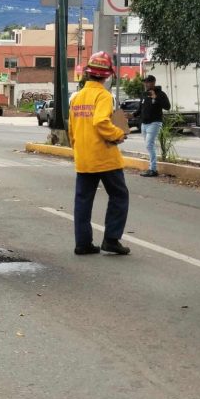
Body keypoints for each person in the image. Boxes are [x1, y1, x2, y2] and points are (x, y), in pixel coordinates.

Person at [68, 52, 130, 255]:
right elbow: (101, 122)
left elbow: (72, 129)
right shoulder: (103, 95)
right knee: (119, 195)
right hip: (104, 157)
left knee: (83, 200)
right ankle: (111, 239)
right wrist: (118, 133)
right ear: (107, 75)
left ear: (88, 74)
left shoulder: (77, 98)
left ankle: (83, 243)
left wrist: (77, 149)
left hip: (84, 156)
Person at [136, 74, 171, 177]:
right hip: (144, 124)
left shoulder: (160, 94)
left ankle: (153, 169)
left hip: (155, 122)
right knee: (149, 146)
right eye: (145, 82)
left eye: (148, 82)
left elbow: (167, 107)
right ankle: (152, 168)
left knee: (149, 145)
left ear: (153, 82)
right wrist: (132, 115)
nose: (146, 84)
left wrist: (156, 98)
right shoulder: (144, 94)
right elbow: (140, 110)